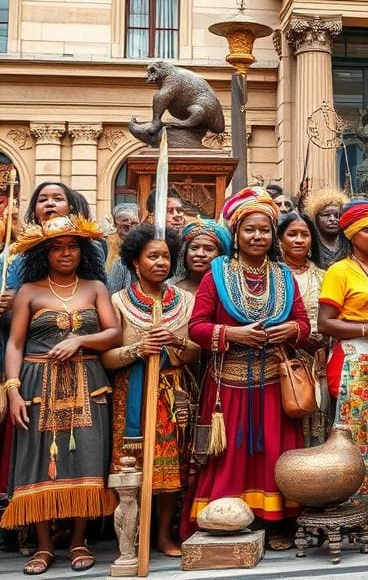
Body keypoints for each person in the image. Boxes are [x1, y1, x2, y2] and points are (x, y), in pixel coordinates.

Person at [184, 187, 310, 549]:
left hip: (274, 382)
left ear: (273, 236)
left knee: (275, 453)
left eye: (265, 230)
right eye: (250, 230)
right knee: (228, 457)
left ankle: (275, 523)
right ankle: (224, 519)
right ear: (236, 234)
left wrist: (294, 329)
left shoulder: (284, 276)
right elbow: (197, 327)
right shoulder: (217, 273)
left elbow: (304, 323)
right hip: (228, 387)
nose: (258, 236)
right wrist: (233, 333)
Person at [1, 215, 121, 574]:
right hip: (37, 382)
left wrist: (80, 339)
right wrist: (12, 390)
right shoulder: (29, 291)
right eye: (57, 247)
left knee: (87, 456)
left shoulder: (96, 286)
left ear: (83, 251)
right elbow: (15, 345)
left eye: (72, 246)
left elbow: (113, 332)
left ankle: (79, 540)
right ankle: (42, 545)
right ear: (43, 253)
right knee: (37, 460)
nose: (66, 253)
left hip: (88, 380)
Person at [103, 223, 199, 557]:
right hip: (130, 392)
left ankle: (162, 534)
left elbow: (194, 354)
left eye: (166, 257)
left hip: (172, 392)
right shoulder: (117, 301)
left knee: (171, 467)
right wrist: (138, 349)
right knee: (130, 466)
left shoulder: (184, 301)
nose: (160, 262)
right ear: (134, 262)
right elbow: (107, 357)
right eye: (152, 256)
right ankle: (130, 537)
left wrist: (176, 341)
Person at [317, 200, 368, 519]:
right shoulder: (340, 271)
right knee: (357, 435)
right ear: (351, 234)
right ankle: (356, 512)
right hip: (355, 356)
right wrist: (366, 326)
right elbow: (325, 323)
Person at [277, 211, 328, 446]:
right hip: (283, 360)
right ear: (280, 239)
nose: (299, 240)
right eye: (292, 234)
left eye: (305, 235)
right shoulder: (273, 275)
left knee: (319, 426)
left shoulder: (324, 276)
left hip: (319, 361)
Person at [172, 219, 231, 296]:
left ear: (220, 254)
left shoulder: (228, 292)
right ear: (184, 252)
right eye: (194, 248)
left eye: (209, 249)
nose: (200, 254)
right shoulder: (171, 289)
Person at [305, 188, 348, 270]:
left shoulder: (349, 243)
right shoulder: (310, 245)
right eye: (326, 215)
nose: (332, 219)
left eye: (337, 215)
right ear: (316, 218)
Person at [105, 204, 140, 272]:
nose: (128, 228)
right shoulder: (108, 243)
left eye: (133, 224)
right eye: (123, 225)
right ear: (115, 225)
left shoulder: (143, 242)